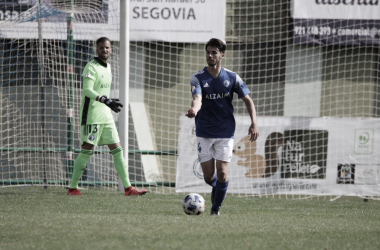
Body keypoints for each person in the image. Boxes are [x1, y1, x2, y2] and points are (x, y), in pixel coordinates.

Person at [185, 38, 259, 215]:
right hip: (204, 131)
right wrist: (194, 110)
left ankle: (215, 209)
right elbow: (197, 98)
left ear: (222, 55)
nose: (210, 55)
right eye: (208, 52)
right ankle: (218, 187)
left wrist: (254, 123)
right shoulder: (198, 78)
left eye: (214, 52)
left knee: (223, 173)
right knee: (209, 177)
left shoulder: (232, 77)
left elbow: (248, 101)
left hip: (225, 131)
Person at [67, 37, 147, 196]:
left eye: (107, 48)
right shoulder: (91, 67)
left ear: (111, 50)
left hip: (106, 115)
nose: (105, 50)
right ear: (97, 49)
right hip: (92, 116)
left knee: (117, 150)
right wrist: (104, 99)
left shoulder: (108, 67)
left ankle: (128, 188)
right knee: (86, 151)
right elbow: (87, 90)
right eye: (102, 47)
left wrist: (108, 102)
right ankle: (72, 188)